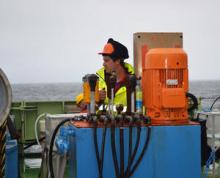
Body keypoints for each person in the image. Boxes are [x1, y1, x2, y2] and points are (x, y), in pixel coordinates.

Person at [96, 38, 134, 107]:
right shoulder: (99, 79)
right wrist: (95, 98)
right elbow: (91, 107)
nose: (103, 64)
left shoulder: (136, 81)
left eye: (106, 61)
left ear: (117, 61)